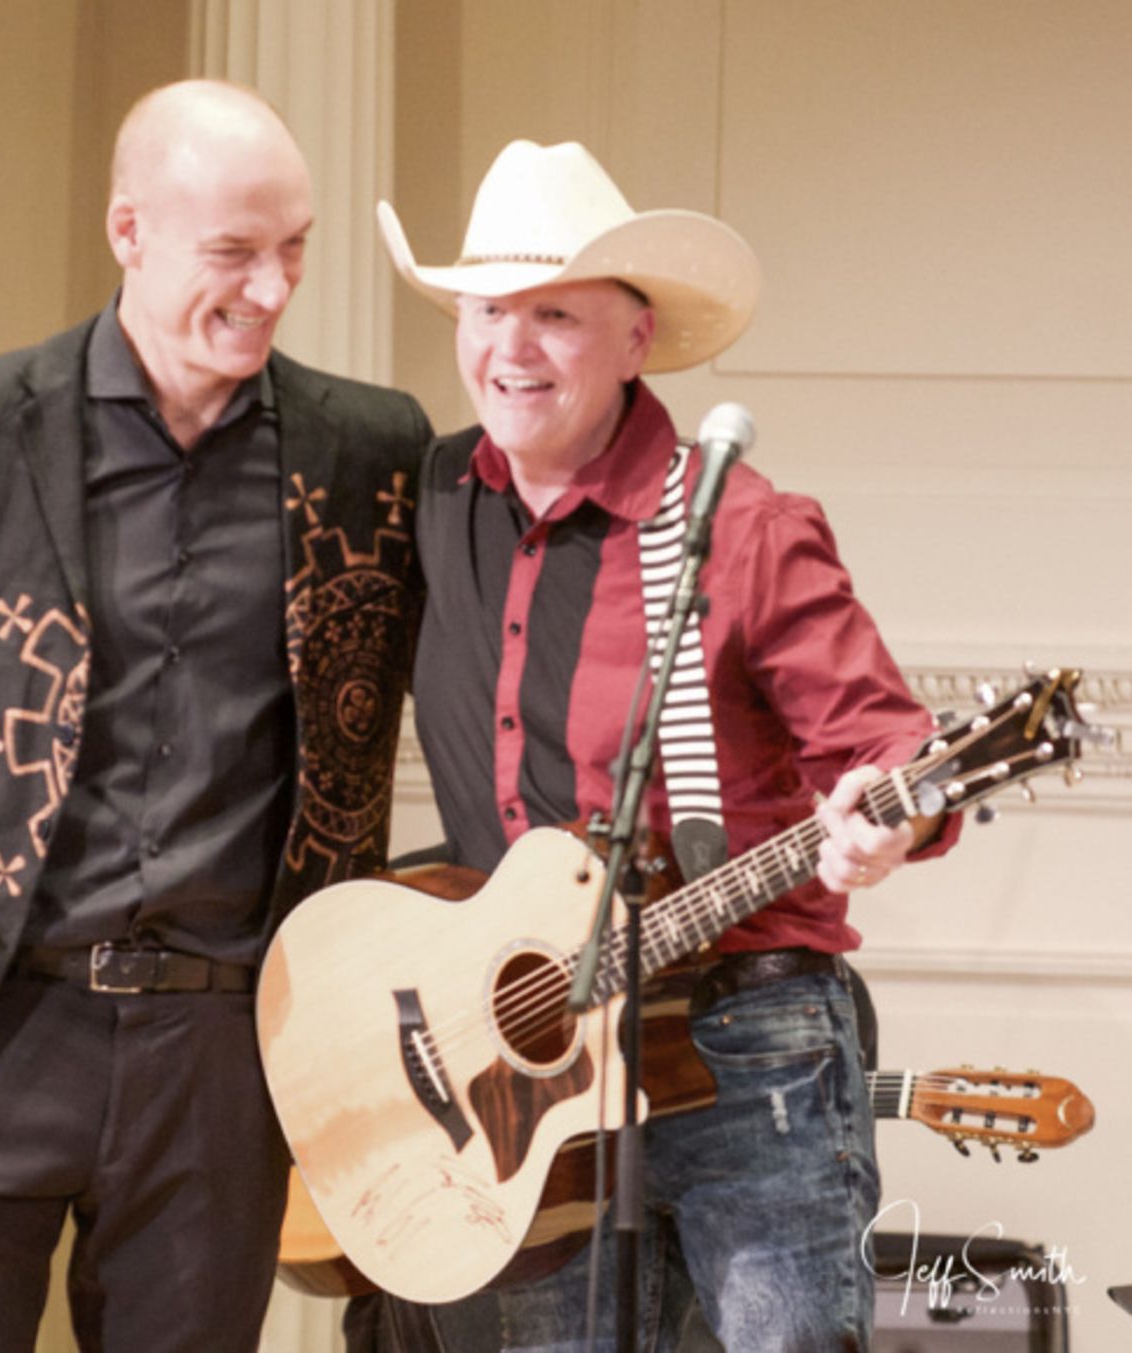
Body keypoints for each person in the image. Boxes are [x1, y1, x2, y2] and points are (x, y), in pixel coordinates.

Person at [0, 80, 428, 1352]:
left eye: (293, 248)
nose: (271, 288)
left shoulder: (368, 446)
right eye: (232, 253)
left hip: (223, 1041)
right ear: (128, 230)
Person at [348, 141, 960, 1352]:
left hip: (750, 1048)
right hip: (534, 1068)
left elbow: (898, 751)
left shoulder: (739, 526)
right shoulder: (432, 499)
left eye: (555, 316)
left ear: (636, 338)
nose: (509, 350)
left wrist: (890, 819)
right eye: (487, 312)